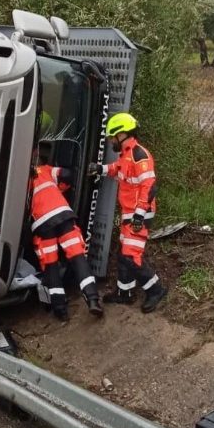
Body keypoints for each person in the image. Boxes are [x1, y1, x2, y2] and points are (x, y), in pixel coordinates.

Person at [88, 113, 168, 313]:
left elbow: (149, 187)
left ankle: (156, 290)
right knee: (123, 254)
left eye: (112, 137)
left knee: (131, 256)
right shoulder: (126, 155)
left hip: (139, 215)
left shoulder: (139, 155)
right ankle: (125, 293)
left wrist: (139, 215)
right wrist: (100, 169)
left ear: (122, 134)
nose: (110, 141)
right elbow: (117, 169)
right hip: (129, 213)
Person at [31, 142, 103, 320]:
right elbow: (68, 174)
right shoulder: (46, 170)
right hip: (63, 215)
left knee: (51, 265)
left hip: (42, 223)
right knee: (77, 257)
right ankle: (93, 300)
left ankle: (60, 311)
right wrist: (60, 189)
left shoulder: (20, 179)